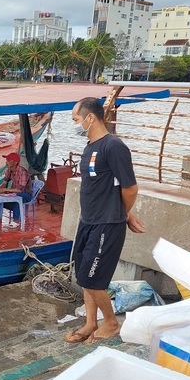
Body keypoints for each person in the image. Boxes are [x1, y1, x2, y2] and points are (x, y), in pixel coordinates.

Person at [65, 97, 146, 345]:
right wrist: (126, 213)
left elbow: (130, 188)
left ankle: (111, 323)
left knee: (93, 278)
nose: (75, 125)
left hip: (106, 224)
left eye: (76, 120)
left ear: (91, 118)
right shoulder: (91, 147)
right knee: (83, 274)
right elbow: (104, 187)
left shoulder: (114, 147)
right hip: (88, 220)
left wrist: (122, 214)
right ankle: (91, 322)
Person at [0, 152, 32, 220]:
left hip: (25, 194)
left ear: (15, 162)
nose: (6, 162)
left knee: (17, 198)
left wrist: (4, 190)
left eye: (8, 160)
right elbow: (4, 183)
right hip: (14, 192)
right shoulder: (9, 171)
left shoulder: (22, 172)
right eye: (6, 160)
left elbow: (21, 190)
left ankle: (16, 220)